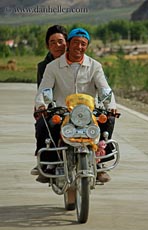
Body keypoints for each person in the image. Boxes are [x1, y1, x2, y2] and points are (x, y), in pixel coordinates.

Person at [34, 28, 117, 183]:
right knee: (45, 123)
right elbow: (44, 89)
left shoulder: (95, 66)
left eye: (83, 44)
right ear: (69, 44)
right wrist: (41, 104)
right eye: (76, 43)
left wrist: (111, 105)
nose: (79, 47)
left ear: (87, 46)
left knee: (109, 119)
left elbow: (104, 89)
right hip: (62, 111)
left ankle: (100, 159)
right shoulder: (52, 66)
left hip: (89, 112)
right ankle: (49, 162)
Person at [31, 25, 67, 175]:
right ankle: (45, 161)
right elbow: (44, 89)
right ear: (47, 46)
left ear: (67, 43)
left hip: (80, 107)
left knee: (104, 121)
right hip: (55, 107)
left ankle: (99, 162)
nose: (57, 46)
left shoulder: (80, 61)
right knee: (43, 124)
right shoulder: (44, 67)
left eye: (60, 41)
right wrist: (44, 105)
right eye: (52, 42)